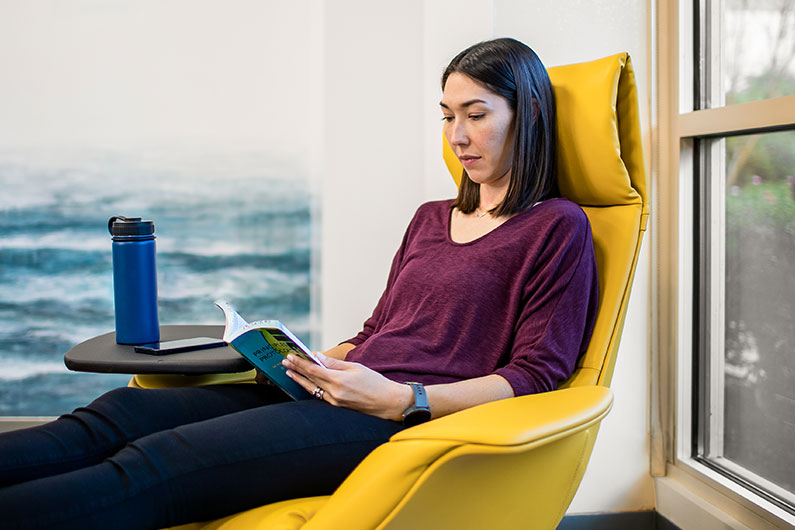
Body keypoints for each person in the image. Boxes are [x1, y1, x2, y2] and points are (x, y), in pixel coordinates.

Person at [0, 37, 598, 529]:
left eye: (476, 115)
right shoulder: (430, 217)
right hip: (330, 389)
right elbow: (378, 333)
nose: (457, 137)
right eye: (447, 117)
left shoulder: (556, 226)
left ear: (528, 115)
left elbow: (536, 376)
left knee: (162, 463)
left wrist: (403, 399)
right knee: (118, 414)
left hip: (390, 419)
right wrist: (304, 361)